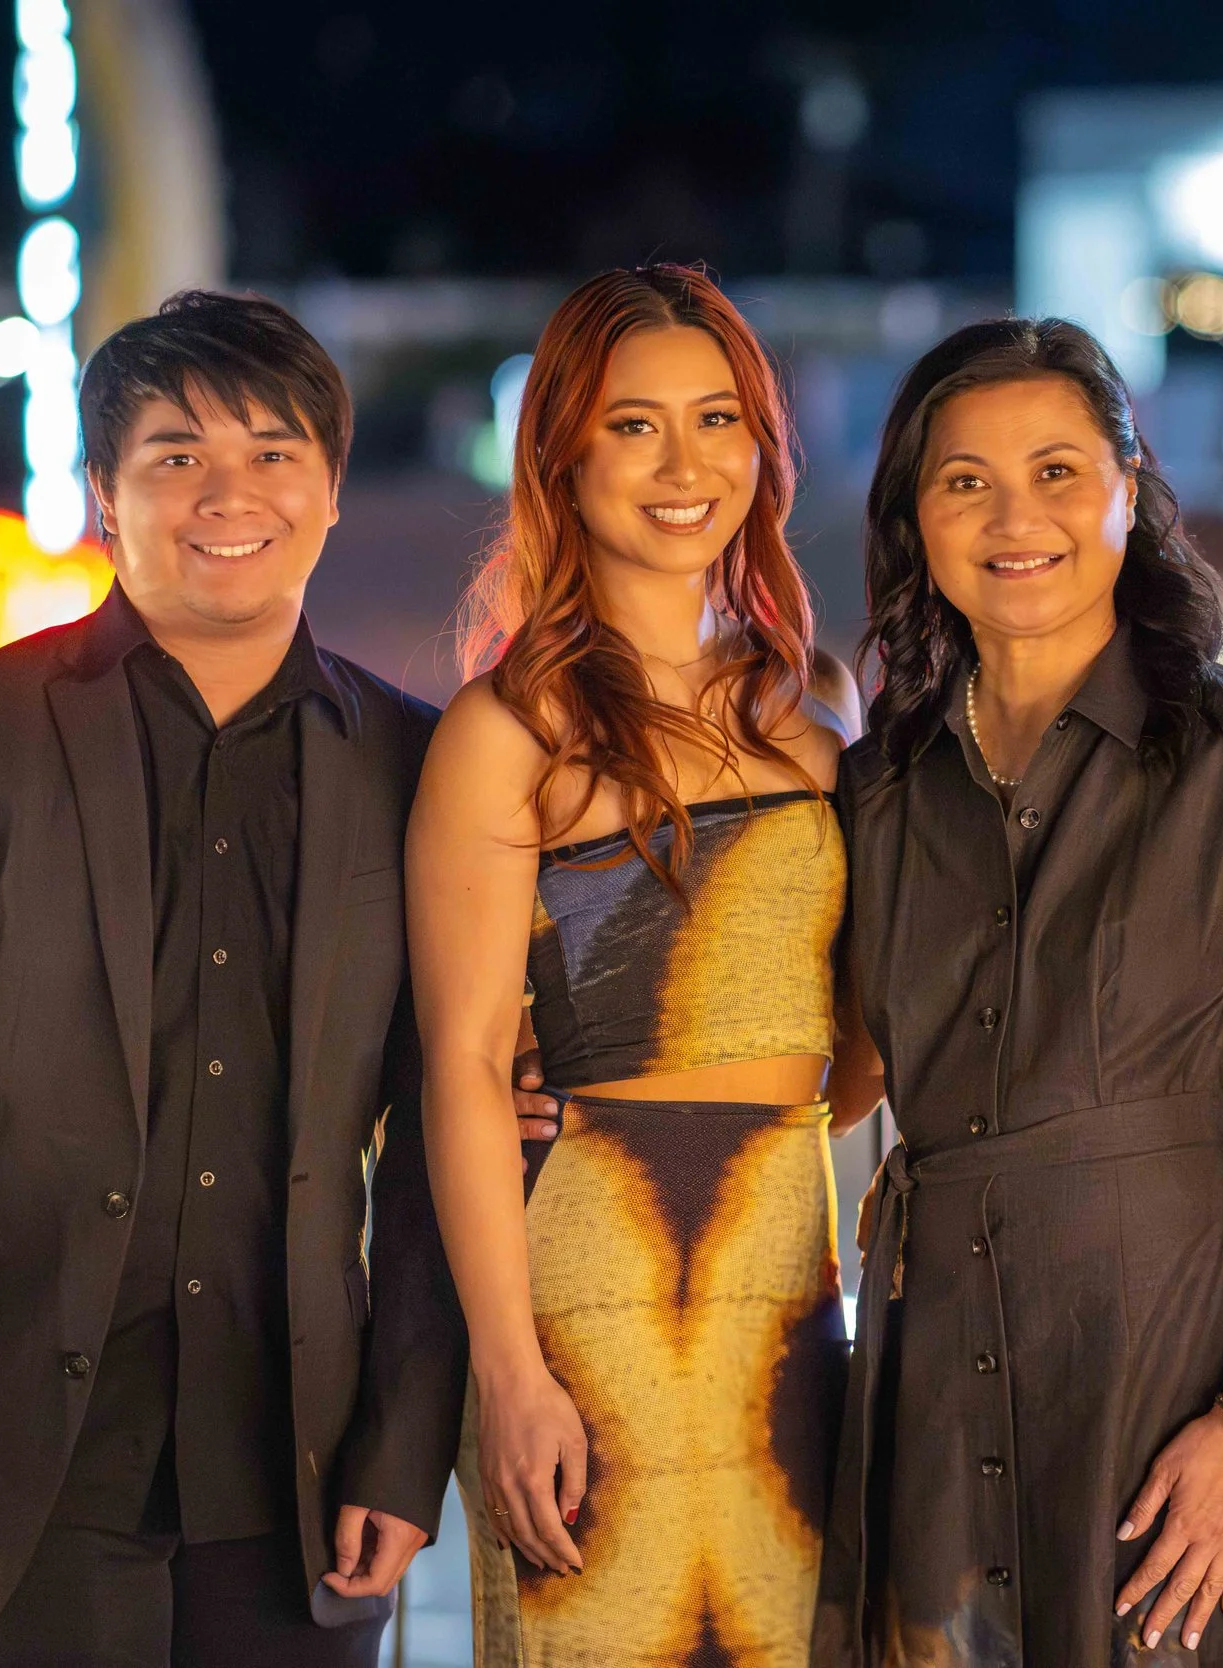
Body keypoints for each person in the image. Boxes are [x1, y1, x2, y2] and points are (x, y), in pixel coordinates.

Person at [0, 290, 468, 1664]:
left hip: (298, 1464)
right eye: (176, 456)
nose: (230, 493)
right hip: (16, 1470)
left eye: (274, 452)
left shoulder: (420, 765)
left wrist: (406, 1453)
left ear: (333, 489)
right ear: (105, 494)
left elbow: (439, 1141)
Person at [814, 319, 1223, 1666]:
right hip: (933, 1352)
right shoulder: (878, 787)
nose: (1016, 518)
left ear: (1131, 489)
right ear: (915, 517)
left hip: (1164, 1358)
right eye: (965, 482)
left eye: (1058, 471)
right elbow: (837, 1074)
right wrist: (581, 1084)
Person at [407, 264, 884, 1665]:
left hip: (796, 1286)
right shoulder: (507, 733)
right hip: (589, 1303)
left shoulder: (815, 703)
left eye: (719, 419)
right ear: (559, 452)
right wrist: (510, 1373)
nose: (685, 466)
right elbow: (457, 1072)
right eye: (633, 426)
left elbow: (845, 1046)